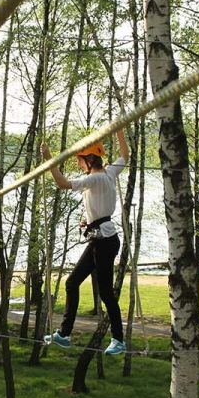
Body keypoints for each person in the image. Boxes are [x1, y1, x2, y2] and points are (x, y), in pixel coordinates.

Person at [40, 131, 129, 355]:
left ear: (88, 160)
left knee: (105, 292)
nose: (79, 165)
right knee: (72, 283)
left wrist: (49, 160)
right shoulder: (109, 172)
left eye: (80, 160)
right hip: (102, 238)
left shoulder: (95, 178)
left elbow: (62, 183)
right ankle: (64, 334)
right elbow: (125, 156)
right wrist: (120, 132)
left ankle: (118, 339)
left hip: (103, 241)